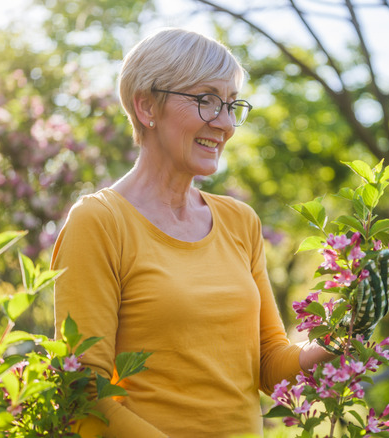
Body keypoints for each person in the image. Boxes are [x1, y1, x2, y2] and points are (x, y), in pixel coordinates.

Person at [51, 28, 335, 437]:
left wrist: (345, 333)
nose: (225, 123)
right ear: (146, 105)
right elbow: (82, 391)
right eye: (206, 101)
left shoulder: (240, 221)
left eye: (231, 104)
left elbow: (269, 365)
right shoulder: (99, 222)